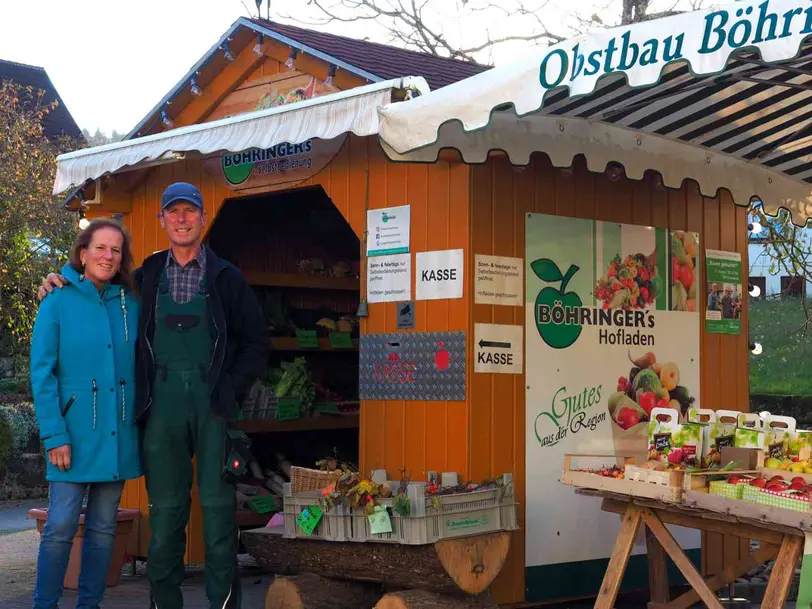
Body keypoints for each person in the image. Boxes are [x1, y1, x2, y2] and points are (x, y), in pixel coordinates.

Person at [39, 182, 268, 609]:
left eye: (190, 211)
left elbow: (257, 344)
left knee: (219, 513)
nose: (182, 219)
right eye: (173, 212)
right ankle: (164, 603)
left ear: (202, 218)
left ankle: (224, 604)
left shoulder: (225, 277)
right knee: (165, 514)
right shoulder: (143, 278)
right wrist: (59, 281)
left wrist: (229, 388)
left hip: (213, 407)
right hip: (160, 408)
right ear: (162, 220)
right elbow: (96, 293)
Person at [30, 218, 141, 609]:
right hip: (71, 437)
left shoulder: (131, 301)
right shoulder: (56, 299)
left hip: (116, 434)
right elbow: (41, 373)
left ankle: (89, 605)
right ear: (82, 253)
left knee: (103, 529)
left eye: (116, 250)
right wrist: (53, 435)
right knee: (59, 526)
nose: (108, 256)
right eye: (100, 248)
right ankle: (45, 604)